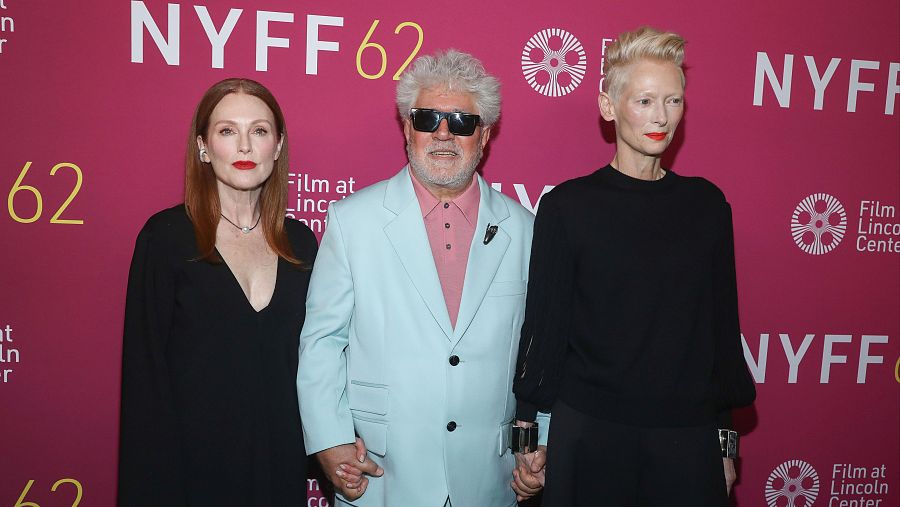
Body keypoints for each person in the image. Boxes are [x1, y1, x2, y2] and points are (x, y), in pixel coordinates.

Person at [512, 27, 757, 506]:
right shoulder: (567, 206)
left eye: (673, 101)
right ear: (609, 106)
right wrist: (527, 440)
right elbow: (543, 332)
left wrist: (724, 444)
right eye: (645, 101)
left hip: (687, 439)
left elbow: (720, 335)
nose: (661, 117)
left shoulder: (707, 206)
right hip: (588, 434)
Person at [296, 49, 548, 506]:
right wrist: (328, 439)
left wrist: (539, 446)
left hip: (489, 481)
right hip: (380, 474)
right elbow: (322, 340)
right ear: (407, 128)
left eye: (462, 122)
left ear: (485, 135)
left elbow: (543, 352)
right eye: (428, 118)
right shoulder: (353, 222)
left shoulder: (525, 229)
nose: (444, 134)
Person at [117, 78, 370, 506]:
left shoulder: (301, 244)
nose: (245, 147)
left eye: (259, 130)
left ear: (278, 146)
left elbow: (324, 357)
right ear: (203, 146)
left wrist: (341, 439)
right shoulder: (165, 239)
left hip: (279, 470)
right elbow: (145, 386)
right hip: (187, 478)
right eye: (227, 131)